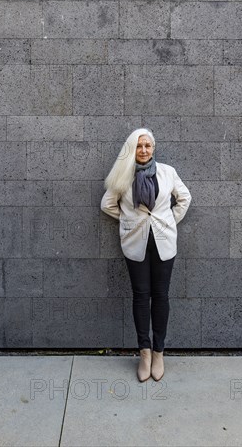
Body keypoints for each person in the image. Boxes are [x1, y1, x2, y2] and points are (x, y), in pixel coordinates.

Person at [100, 128, 192, 382]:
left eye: (147, 146)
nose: (143, 150)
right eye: (139, 146)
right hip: (135, 243)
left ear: (154, 148)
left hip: (164, 242)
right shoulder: (123, 175)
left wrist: (169, 221)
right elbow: (107, 204)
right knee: (141, 296)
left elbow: (184, 198)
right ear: (133, 149)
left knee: (161, 295)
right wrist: (129, 221)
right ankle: (144, 352)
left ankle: (159, 352)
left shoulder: (167, 172)